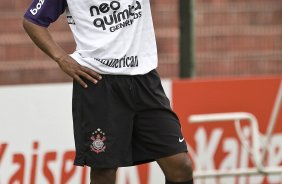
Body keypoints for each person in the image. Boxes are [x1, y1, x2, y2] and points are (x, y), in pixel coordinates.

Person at [23, 0, 194, 183]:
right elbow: (32, 21)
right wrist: (61, 59)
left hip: (144, 80)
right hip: (98, 83)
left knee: (180, 166)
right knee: (104, 172)